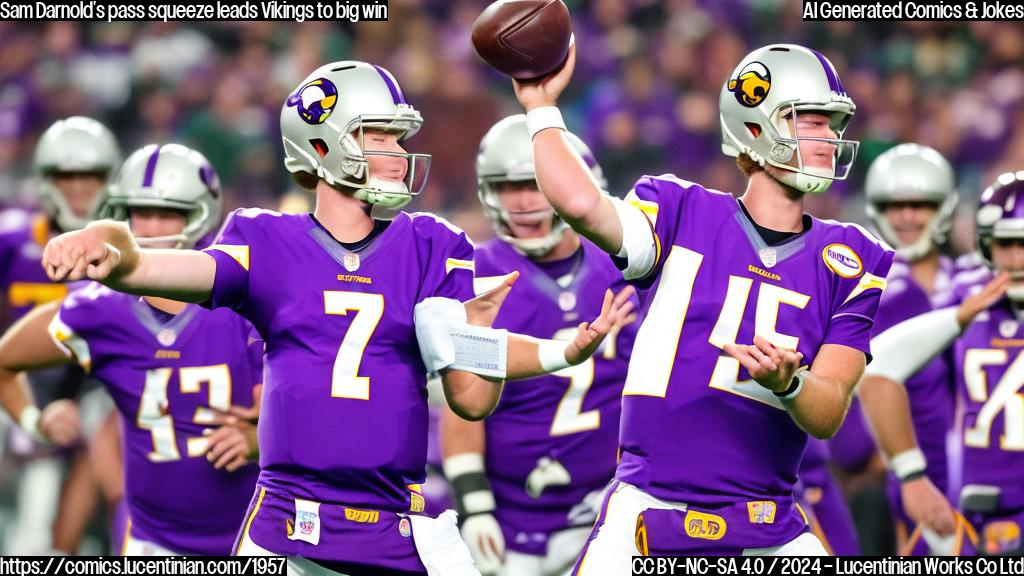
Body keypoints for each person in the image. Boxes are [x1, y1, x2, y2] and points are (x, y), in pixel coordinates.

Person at [41, 61, 631, 574]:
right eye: (381, 137)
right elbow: (163, 270)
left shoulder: (434, 243)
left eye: (401, 140)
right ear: (321, 146)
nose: (399, 156)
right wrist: (112, 249)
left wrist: (545, 349)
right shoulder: (266, 239)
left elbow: (471, 401)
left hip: (396, 522)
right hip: (290, 524)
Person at [511, 42, 898, 563]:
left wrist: (790, 383)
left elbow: (827, 411)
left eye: (833, 124)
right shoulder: (679, 209)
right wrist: (540, 109)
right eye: (810, 120)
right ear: (756, 126)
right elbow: (580, 204)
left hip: (769, 525)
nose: (830, 137)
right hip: (650, 509)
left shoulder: (853, 257)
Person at [0, 143, 262, 555]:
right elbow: (5, 362)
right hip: (152, 542)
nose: (153, 227)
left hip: (253, 538)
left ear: (201, 215)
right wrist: (36, 421)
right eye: (141, 212)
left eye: (169, 212)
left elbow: (316, 411)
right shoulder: (96, 309)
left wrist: (260, 440)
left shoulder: (245, 301)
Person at [441, 115, 637, 575]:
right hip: (513, 512)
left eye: (533, 184)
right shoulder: (477, 273)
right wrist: (475, 504)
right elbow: (461, 403)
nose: (523, 202)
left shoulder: (626, 267)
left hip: (609, 504)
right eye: (506, 187)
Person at [869, 171, 1024, 556]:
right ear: (986, 244)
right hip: (974, 512)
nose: (1017, 258)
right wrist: (911, 474)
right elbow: (879, 367)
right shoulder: (964, 295)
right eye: (1006, 243)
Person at [0, 116, 121, 554]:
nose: (78, 188)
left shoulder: (125, 248)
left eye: (90, 176)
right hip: (18, 379)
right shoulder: (14, 237)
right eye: (66, 176)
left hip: (97, 388)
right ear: (45, 179)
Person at [858, 144, 962, 554]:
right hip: (911, 479)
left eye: (919, 204)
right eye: (895, 204)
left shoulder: (972, 282)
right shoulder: (867, 295)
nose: (907, 216)